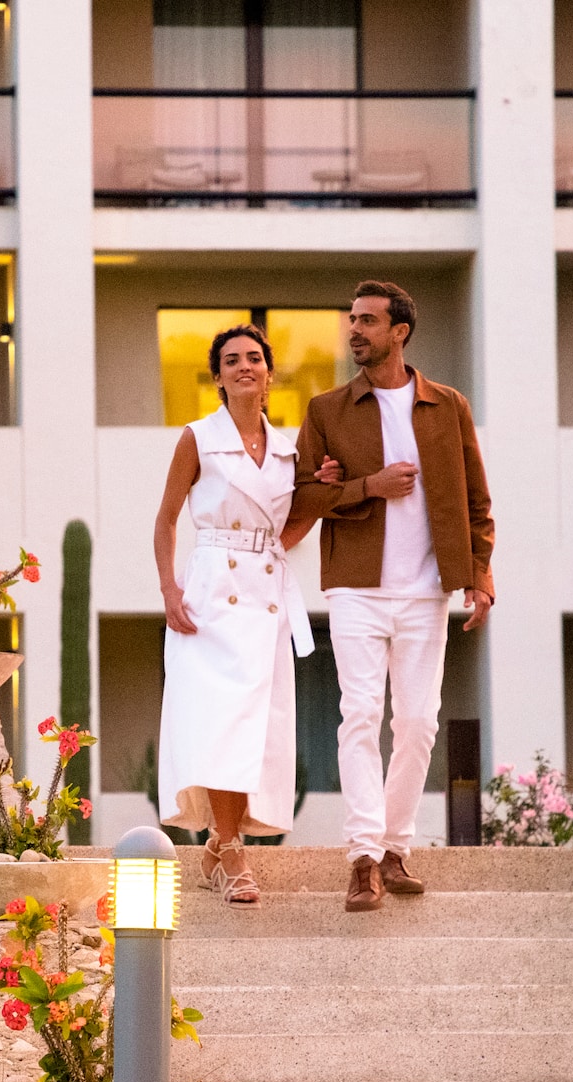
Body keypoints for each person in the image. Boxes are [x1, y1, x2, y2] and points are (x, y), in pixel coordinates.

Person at [293, 280, 495, 913]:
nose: (355, 331)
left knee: (417, 723)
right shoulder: (327, 409)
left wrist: (480, 574)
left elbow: (476, 499)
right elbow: (299, 498)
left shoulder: (448, 405)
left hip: (427, 590)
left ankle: (394, 849)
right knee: (359, 715)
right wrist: (367, 486)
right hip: (356, 585)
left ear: (399, 332)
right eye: (351, 319)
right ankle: (361, 857)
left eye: (368, 321)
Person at [153, 324, 325, 908]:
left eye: (254, 358)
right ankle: (232, 855)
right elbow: (167, 519)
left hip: (266, 594)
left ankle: (221, 845)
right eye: (232, 360)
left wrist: (318, 497)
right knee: (221, 723)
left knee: (255, 729)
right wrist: (169, 588)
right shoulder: (197, 438)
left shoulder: (288, 450)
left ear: (269, 372)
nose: (244, 366)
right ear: (218, 375)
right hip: (209, 597)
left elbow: (291, 527)